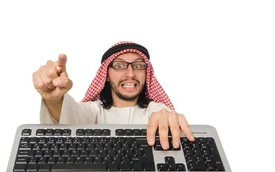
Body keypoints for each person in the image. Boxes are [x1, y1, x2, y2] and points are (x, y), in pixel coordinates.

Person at [32, 41, 195, 150]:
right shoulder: (93, 111)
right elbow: (69, 117)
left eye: (138, 66)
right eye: (120, 66)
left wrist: (167, 118)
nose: (130, 74)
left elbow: (164, 117)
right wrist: (54, 99)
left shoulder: (157, 110)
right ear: (106, 76)